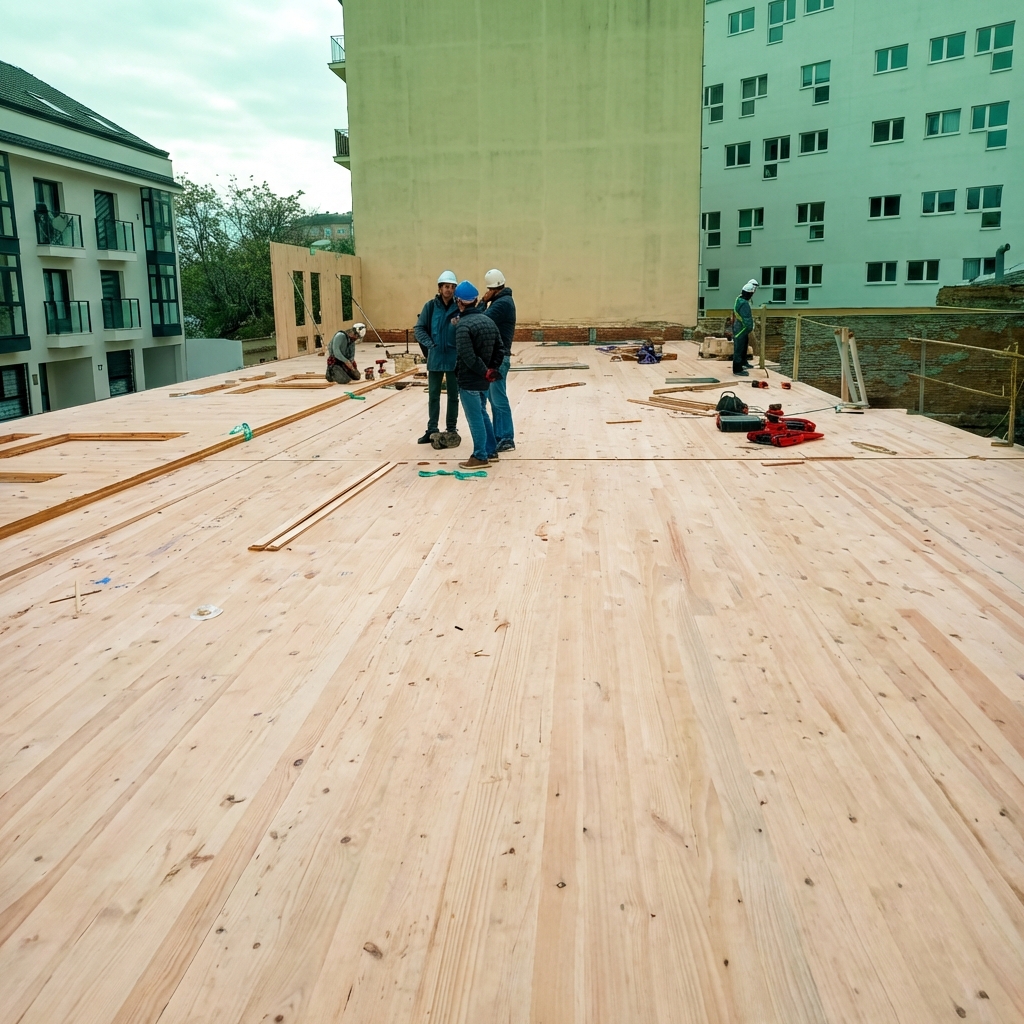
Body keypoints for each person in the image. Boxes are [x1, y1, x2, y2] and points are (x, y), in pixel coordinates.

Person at [452, 280, 502, 469]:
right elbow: (500, 348)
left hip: (469, 380)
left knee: (475, 419)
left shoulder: (464, 326)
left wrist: (484, 371)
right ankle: (491, 450)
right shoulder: (488, 320)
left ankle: (480, 456)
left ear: (459, 301)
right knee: (482, 413)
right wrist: (491, 370)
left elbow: (468, 356)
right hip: (484, 381)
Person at [413, 271, 461, 445]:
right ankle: (432, 429)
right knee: (433, 395)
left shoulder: (459, 307)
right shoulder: (431, 307)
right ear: (440, 288)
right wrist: (430, 344)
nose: (449, 290)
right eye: (446, 286)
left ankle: (451, 429)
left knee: (453, 396)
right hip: (435, 358)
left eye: (452, 287)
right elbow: (419, 328)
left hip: (454, 358)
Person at [481, 268, 516, 452]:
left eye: (488, 290)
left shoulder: (502, 304)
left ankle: (506, 437)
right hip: (497, 358)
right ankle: (499, 435)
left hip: (499, 359)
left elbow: (481, 320)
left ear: (493, 289)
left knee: (498, 399)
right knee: (495, 399)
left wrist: (481, 302)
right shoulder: (503, 301)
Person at [732, 279, 758, 376]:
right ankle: (737, 369)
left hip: (739, 326)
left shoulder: (739, 299)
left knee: (743, 346)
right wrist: (750, 327)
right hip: (741, 328)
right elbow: (747, 319)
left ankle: (743, 362)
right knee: (739, 347)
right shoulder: (744, 304)